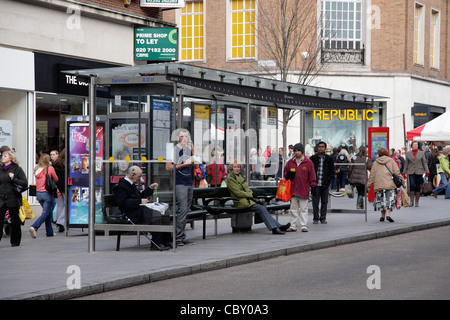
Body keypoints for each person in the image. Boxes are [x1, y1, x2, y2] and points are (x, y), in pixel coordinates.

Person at [114, 166, 170, 251]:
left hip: (137, 210)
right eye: (139, 176)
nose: (139, 179)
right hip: (131, 213)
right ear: (132, 175)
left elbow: (140, 196)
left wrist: (150, 188)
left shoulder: (130, 184)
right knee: (156, 214)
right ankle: (157, 243)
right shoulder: (121, 186)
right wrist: (139, 201)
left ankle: (165, 241)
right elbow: (123, 202)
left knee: (164, 213)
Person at [226, 161, 290, 235]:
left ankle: (278, 226)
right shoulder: (231, 179)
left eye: (238, 167)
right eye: (235, 167)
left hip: (246, 200)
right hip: (240, 201)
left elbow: (246, 189)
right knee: (261, 208)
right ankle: (274, 228)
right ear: (231, 168)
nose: (237, 169)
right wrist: (250, 195)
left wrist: (251, 194)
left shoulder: (239, 176)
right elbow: (238, 193)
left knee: (262, 207)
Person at [166, 129, 198, 247]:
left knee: (186, 210)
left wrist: (193, 151)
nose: (184, 138)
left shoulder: (189, 151)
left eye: (186, 136)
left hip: (189, 182)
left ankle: (181, 236)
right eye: (182, 136)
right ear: (178, 138)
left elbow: (196, 165)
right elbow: (168, 167)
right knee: (183, 209)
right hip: (179, 183)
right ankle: (178, 238)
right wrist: (185, 164)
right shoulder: (173, 150)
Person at [283, 143, 317, 232]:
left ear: (302, 151)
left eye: (298, 151)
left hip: (304, 189)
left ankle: (304, 225)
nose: (297, 152)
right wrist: (288, 174)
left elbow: (312, 175)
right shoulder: (290, 162)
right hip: (293, 189)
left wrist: (313, 184)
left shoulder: (308, 162)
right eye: (295, 151)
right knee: (293, 209)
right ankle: (293, 225)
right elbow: (285, 174)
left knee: (303, 209)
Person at [367, 148, 405, 222]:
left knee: (381, 200)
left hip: (379, 184)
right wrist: (402, 181)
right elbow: (397, 172)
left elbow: (372, 175)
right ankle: (388, 215)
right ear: (387, 153)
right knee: (388, 200)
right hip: (389, 184)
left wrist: (368, 185)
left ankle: (382, 216)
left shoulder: (375, 163)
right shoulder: (391, 161)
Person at [0, 151, 28, 247]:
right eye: (2, 156)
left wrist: (13, 178)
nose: (2, 158)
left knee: (15, 220)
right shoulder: (0, 169)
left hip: (13, 198)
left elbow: (24, 183)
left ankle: (15, 241)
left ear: (10, 158)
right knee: (0, 220)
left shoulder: (17, 169)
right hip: (1, 198)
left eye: (5, 156)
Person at [30, 154, 58, 238]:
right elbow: (56, 179)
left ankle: (49, 232)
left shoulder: (37, 169)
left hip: (38, 194)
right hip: (47, 193)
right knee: (46, 213)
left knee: (48, 212)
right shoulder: (49, 169)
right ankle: (34, 227)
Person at [309, 141, 335, 224]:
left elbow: (332, 171)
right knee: (315, 202)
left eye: (322, 147)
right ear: (317, 148)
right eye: (319, 146)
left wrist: (328, 180)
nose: (321, 148)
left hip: (325, 184)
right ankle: (316, 218)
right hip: (315, 184)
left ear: (325, 148)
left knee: (324, 202)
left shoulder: (329, 159)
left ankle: (323, 218)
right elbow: (309, 171)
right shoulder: (312, 158)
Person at [403, 141, 429, 207]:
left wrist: (427, 171)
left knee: (418, 186)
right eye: (414, 145)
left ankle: (417, 201)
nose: (415, 146)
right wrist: (404, 172)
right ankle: (411, 201)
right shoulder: (408, 154)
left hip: (419, 171)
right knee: (412, 185)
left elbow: (424, 162)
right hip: (411, 171)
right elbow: (406, 164)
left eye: (416, 145)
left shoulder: (421, 153)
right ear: (411, 146)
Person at [53, 148, 66, 233]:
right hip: (65, 187)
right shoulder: (67, 164)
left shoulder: (56, 163)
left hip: (57, 186)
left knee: (60, 205)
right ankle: (60, 222)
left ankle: (59, 223)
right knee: (67, 204)